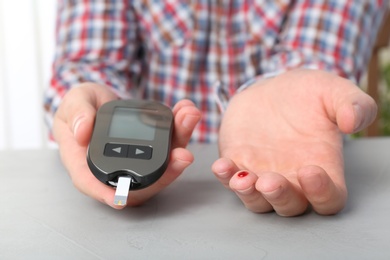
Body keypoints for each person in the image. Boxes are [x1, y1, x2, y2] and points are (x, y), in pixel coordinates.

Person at [44, 0, 387, 216]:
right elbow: (88, 63)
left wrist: (298, 87)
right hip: (171, 195)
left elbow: (317, 55)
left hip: (300, 159)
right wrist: (85, 101)